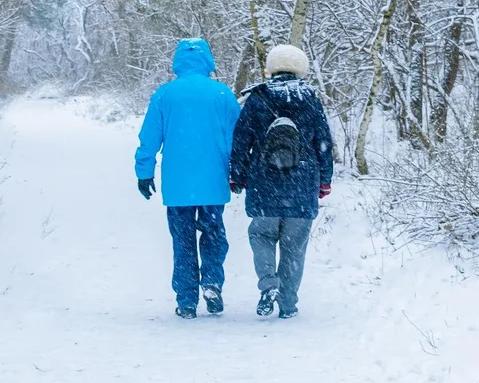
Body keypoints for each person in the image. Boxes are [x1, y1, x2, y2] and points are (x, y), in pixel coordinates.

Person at [135, 38, 240, 319]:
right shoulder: (222, 94)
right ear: (207, 60)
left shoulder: (165, 94)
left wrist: (144, 172)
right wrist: (238, 171)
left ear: (178, 61)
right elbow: (237, 139)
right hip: (213, 180)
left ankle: (186, 300)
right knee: (214, 234)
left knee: (182, 241)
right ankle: (212, 281)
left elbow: (149, 138)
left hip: (178, 184)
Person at [229, 44, 333, 319]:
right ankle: (288, 305)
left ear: (272, 68)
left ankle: (268, 284)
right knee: (294, 246)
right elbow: (324, 143)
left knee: (261, 236)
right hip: (302, 185)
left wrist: (237, 176)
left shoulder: (257, 98)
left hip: (264, 184)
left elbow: (241, 141)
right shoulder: (310, 99)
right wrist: (325, 180)